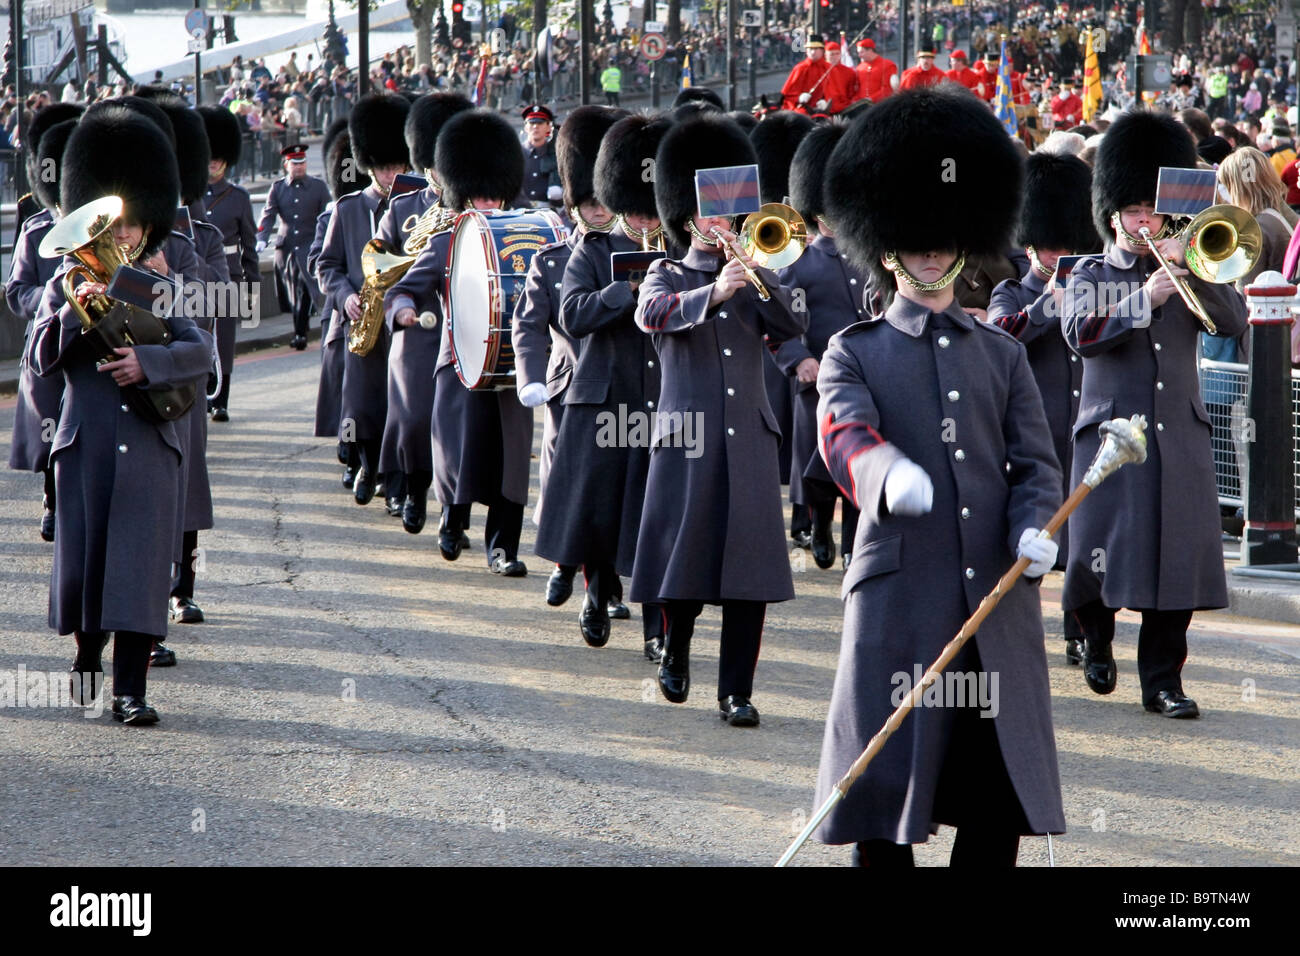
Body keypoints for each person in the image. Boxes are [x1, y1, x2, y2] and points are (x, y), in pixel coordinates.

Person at [812, 86, 1065, 865]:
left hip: (993, 598)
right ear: (885, 246)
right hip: (900, 597)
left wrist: (1036, 524)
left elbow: (1036, 464)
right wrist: (882, 473)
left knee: (994, 808)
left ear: (964, 242)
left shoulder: (1001, 353)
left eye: (942, 238)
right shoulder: (853, 350)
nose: (929, 252)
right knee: (883, 802)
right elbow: (841, 432)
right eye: (913, 240)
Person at [1062, 109, 1249, 719]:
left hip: (1180, 437)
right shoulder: (1088, 272)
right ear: (1113, 213)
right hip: (1112, 434)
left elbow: (1233, 322)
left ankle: (1162, 680)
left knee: (1175, 561)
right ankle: (1093, 635)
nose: (1148, 222)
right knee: (1102, 551)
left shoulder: (1188, 262)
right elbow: (1081, 335)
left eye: (1155, 210)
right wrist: (1145, 297)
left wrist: (1194, 267)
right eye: (1137, 211)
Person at [30, 106, 212, 725]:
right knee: (87, 566)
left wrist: (148, 363)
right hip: (87, 445)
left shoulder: (154, 286)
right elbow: (37, 359)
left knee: (138, 567)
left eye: (133, 227)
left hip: (149, 444)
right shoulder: (63, 283)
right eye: (116, 227)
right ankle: (87, 660)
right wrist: (65, 314)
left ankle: (131, 690)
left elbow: (200, 352)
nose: (125, 238)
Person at [632, 112, 806, 727]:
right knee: (686, 557)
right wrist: (717, 293)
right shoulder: (667, 272)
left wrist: (762, 279)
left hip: (751, 438)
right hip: (688, 437)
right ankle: (675, 651)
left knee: (750, 572)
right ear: (688, 218)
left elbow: (792, 330)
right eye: (712, 215)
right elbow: (651, 316)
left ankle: (737, 690)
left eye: (729, 214)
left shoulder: (755, 270)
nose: (725, 224)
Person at [535, 112, 671, 655]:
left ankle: (658, 630)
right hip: (603, 397)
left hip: (662, 398)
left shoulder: (676, 249)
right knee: (599, 510)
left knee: (656, 514)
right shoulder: (591, 251)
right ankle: (596, 596)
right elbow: (571, 314)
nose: (642, 215)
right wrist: (624, 294)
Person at [386, 109, 533, 576]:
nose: (488, 204)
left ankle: (503, 547)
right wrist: (403, 310)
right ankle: (452, 519)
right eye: (479, 195)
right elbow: (404, 287)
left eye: (495, 195)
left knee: (509, 458)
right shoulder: (449, 236)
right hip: (461, 355)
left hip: (512, 363)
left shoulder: (528, 231)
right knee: (459, 448)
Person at [987, 150, 1100, 666]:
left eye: (1065, 246)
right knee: (1030, 543)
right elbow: (1002, 335)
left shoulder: (1092, 284)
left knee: (1084, 546)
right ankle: (1017, 634)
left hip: (1084, 431)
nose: (1059, 255)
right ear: (1030, 243)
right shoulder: (1012, 290)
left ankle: (1082, 632)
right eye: (1050, 247)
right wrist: (1050, 301)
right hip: (1034, 434)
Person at [512, 105, 627, 606]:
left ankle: (605, 585)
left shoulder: (633, 257)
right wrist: (529, 376)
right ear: (575, 205)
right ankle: (562, 562)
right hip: (566, 381)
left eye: (605, 202)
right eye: (590, 203)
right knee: (566, 477)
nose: (599, 211)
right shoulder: (553, 259)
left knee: (611, 487)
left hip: (617, 383)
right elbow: (529, 323)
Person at [774, 123, 872, 572]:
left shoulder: (868, 254)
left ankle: (854, 538)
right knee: (814, 462)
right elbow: (781, 321)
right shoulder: (800, 262)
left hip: (865, 374)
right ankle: (816, 524)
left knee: (856, 456)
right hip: (816, 377)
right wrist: (799, 359)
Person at [373, 92, 472, 534]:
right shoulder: (402, 207)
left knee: (456, 428)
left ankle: (454, 513)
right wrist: (400, 302)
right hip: (416, 325)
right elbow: (377, 262)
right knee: (414, 420)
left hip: (465, 325)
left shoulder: (474, 205)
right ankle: (414, 492)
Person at [316, 93, 411, 510]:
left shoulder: (417, 207)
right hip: (361, 318)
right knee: (361, 404)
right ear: (369, 164)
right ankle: (367, 466)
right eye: (384, 166)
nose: (390, 173)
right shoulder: (349, 208)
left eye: (396, 164)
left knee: (401, 405)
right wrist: (345, 297)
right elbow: (327, 265)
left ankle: (395, 482)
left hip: (403, 320)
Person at [7, 105, 82, 543]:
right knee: (51, 432)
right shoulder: (35, 232)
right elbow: (17, 292)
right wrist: (54, 298)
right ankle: (52, 501)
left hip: (86, 345)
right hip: (47, 348)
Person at [751, 110, 813, 544]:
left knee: (804, 436)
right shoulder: (757, 216)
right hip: (769, 353)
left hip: (804, 345)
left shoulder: (814, 233)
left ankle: (805, 515)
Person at [313, 120, 371, 487]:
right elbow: (319, 261)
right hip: (343, 313)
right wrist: (345, 294)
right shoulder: (337, 213)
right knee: (346, 386)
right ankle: (351, 453)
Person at [199, 105, 258, 422]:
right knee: (199, 337)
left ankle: (221, 399)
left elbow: (250, 245)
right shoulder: (192, 197)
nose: (215, 161)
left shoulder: (239, 197)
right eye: (210, 155)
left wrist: (252, 288)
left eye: (219, 157)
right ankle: (203, 392)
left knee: (224, 341)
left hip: (230, 277)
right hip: (196, 278)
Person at [257, 143, 330, 351]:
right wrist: (262, 237)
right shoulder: (278, 188)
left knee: (304, 287)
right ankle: (301, 326)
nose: (299, 167)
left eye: (302, 163)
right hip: (287, 247)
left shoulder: (318, 186)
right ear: (286, 165)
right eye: (294, 163)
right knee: (293, 291)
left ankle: (300, 334)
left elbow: (326, 216)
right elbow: (268, 215)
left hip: (310, 244)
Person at [518, 103, 561, 207]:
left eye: (540, 123)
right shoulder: (516, 154)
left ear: (548, 128)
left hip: (548, 213)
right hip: (519, 213)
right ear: (525, 127)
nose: (535, 126)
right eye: (531, 123)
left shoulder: (556, 155)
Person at [781, 33, 831, 112]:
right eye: (810, 49)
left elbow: (838, 92)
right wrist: (799, 98)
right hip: (804, 109)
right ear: (806, 51)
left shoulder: (829, 68)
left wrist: (827, 101)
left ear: (822, 50)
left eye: (816, 49)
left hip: (824, 110)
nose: (813, 52)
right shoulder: (800, 68)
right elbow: (787, 95)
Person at [854, 38, 898, 104]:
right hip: (862, 106)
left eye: (861, 52)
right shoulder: (859, 67)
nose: (859, 55)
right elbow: (857, 89)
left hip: (880, 105)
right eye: (858, 53)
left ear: (870, 50)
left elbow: (888, 89)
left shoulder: (888, 65)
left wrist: (871, 99)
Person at [821, 41, 859, 114]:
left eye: (837, 54)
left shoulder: (849, 72)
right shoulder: (820, 70)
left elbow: (852, 93)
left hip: (844, 108)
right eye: (832, 54)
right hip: (825, 108)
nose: (835, 56)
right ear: (825, 55)